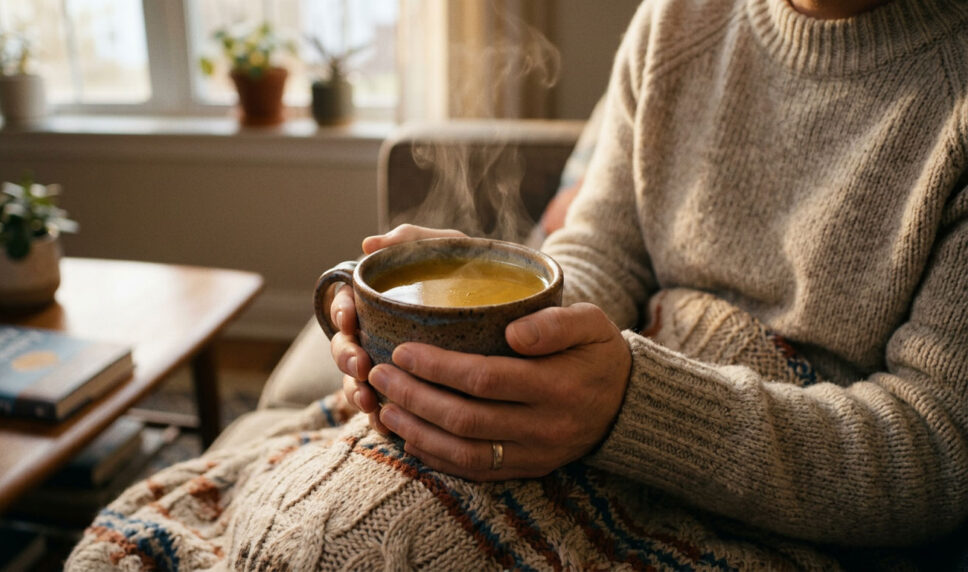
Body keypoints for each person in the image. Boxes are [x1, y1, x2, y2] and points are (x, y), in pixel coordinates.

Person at [66, 0, 967, 568]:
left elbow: (940, 451)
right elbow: (604, 255)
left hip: (773, 481)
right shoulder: (677, 22)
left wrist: (630, 409)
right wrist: (497, 308)